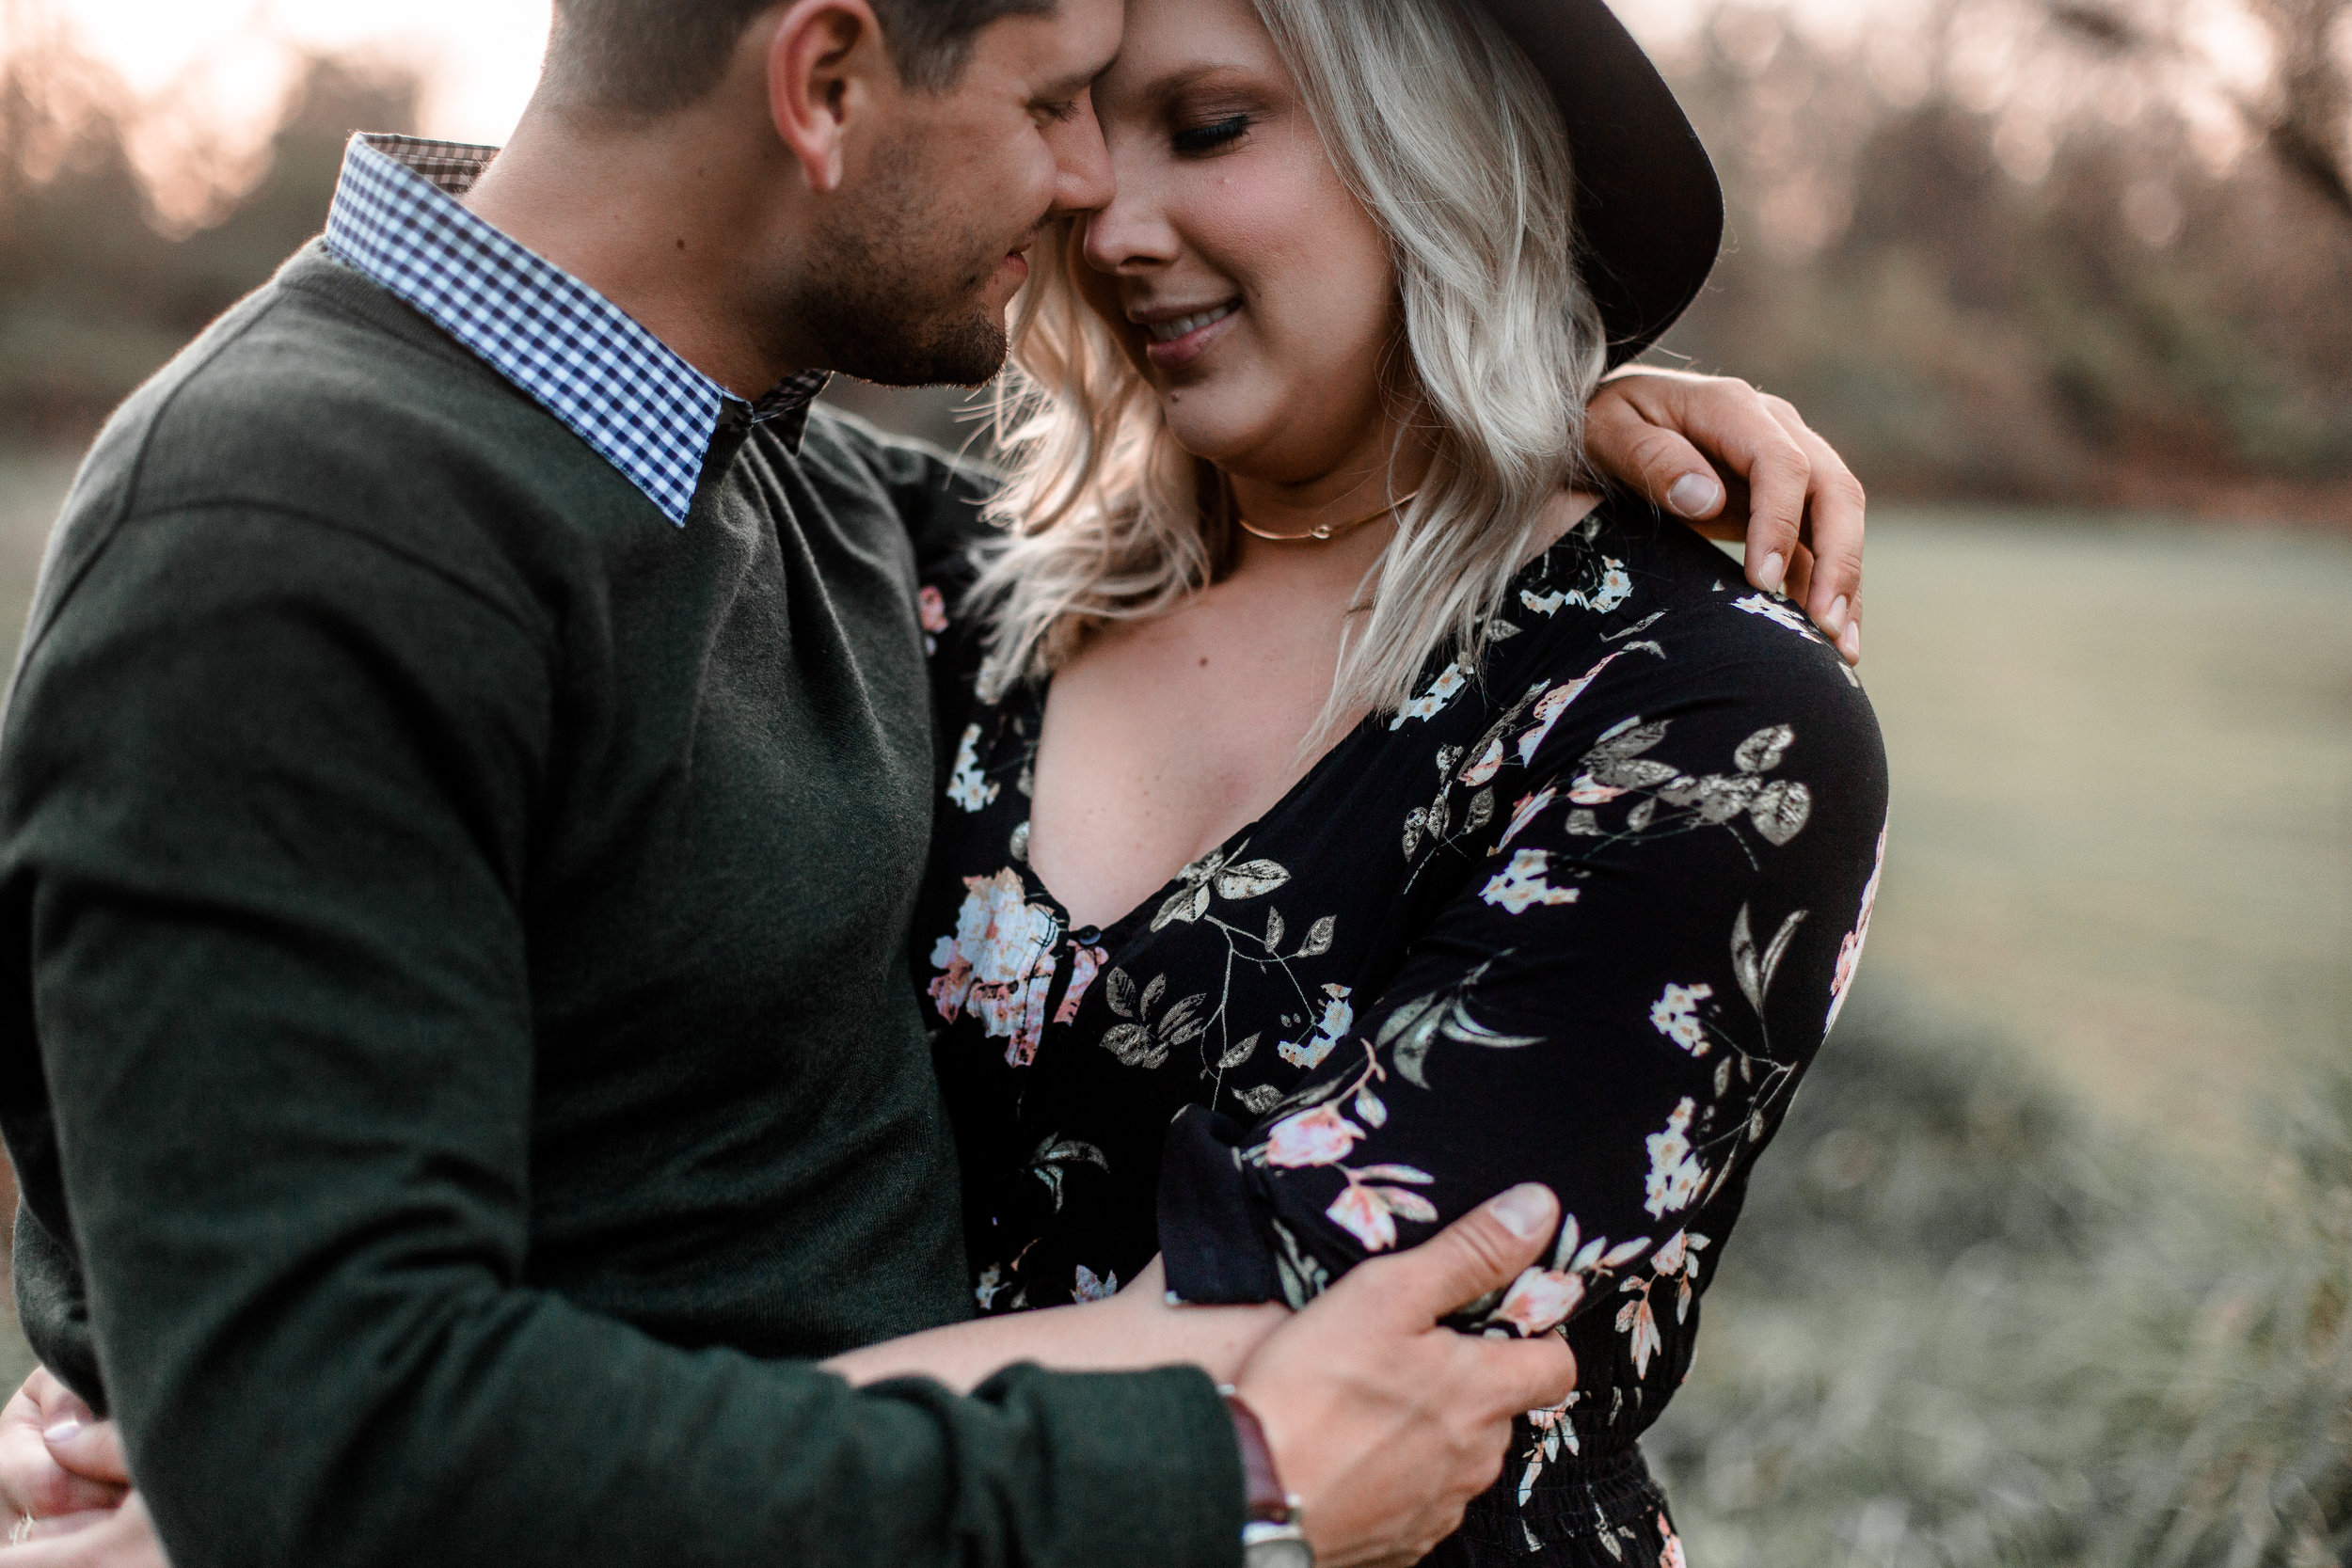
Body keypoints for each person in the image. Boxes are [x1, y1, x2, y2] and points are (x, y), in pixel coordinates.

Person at [0, 1, 1870, 1564]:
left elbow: (1310, 1351)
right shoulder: (927, 590)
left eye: (1194, 124)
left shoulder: (1676, 709)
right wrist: (298, 1476)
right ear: (822, 83)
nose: (1090, 203)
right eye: (1060, 108)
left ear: (1431, 165)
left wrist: (1557, 404)